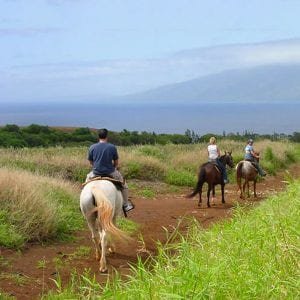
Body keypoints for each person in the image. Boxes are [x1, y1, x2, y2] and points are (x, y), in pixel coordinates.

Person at [86, 128, 135, 212]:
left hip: (95, 172)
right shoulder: (112, 147)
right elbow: (116, 162)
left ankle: (83, 205)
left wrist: (97, 166)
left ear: (98, 136)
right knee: (124, 185)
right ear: (107, 136)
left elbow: (91, 162)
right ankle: (126, 205)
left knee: (85, 184)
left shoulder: (92, 147)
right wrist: (114, 167)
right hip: (110, 172)